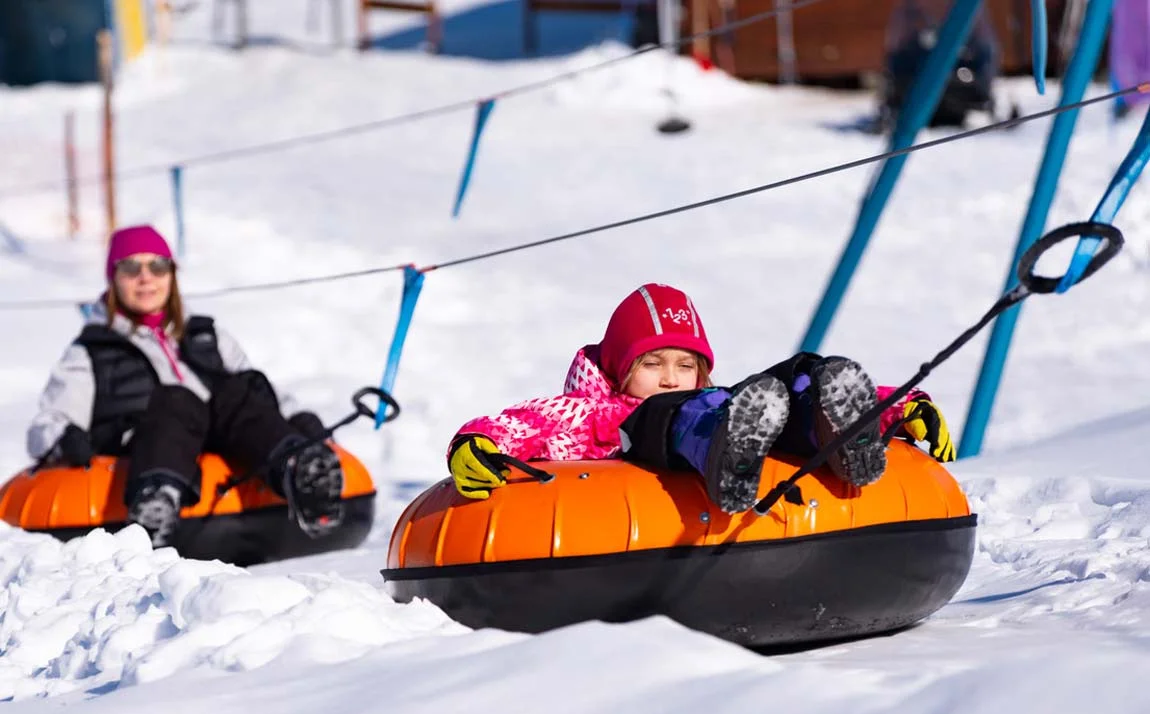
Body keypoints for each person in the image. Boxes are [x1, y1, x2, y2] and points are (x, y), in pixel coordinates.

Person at [447, 283, 955, 512]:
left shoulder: (712, 397)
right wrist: (476, 442)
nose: (670, 377)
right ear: (619, 367)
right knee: (675, 414)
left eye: (685, 365)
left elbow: (726, 396)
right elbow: (525, 422)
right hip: (659, 440)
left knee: (787, 383)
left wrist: (902, 409)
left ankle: (839, 422)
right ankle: (722, 452)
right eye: (651, 364)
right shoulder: (589, 410)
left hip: (721, 415)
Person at [26, 225, 345, 547]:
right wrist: (63, 438)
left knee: (234, 390)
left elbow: (253, 392)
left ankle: (297, 469)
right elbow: (51, 419)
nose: (146, 278)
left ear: (172, 274)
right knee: (176, 400)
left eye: (158, 266)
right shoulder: (92, 350)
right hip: (144, 444)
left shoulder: (207, 335)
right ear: (114, 277)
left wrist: (299, 418)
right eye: (131, 268)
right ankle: (155, 503)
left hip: (224, 442)